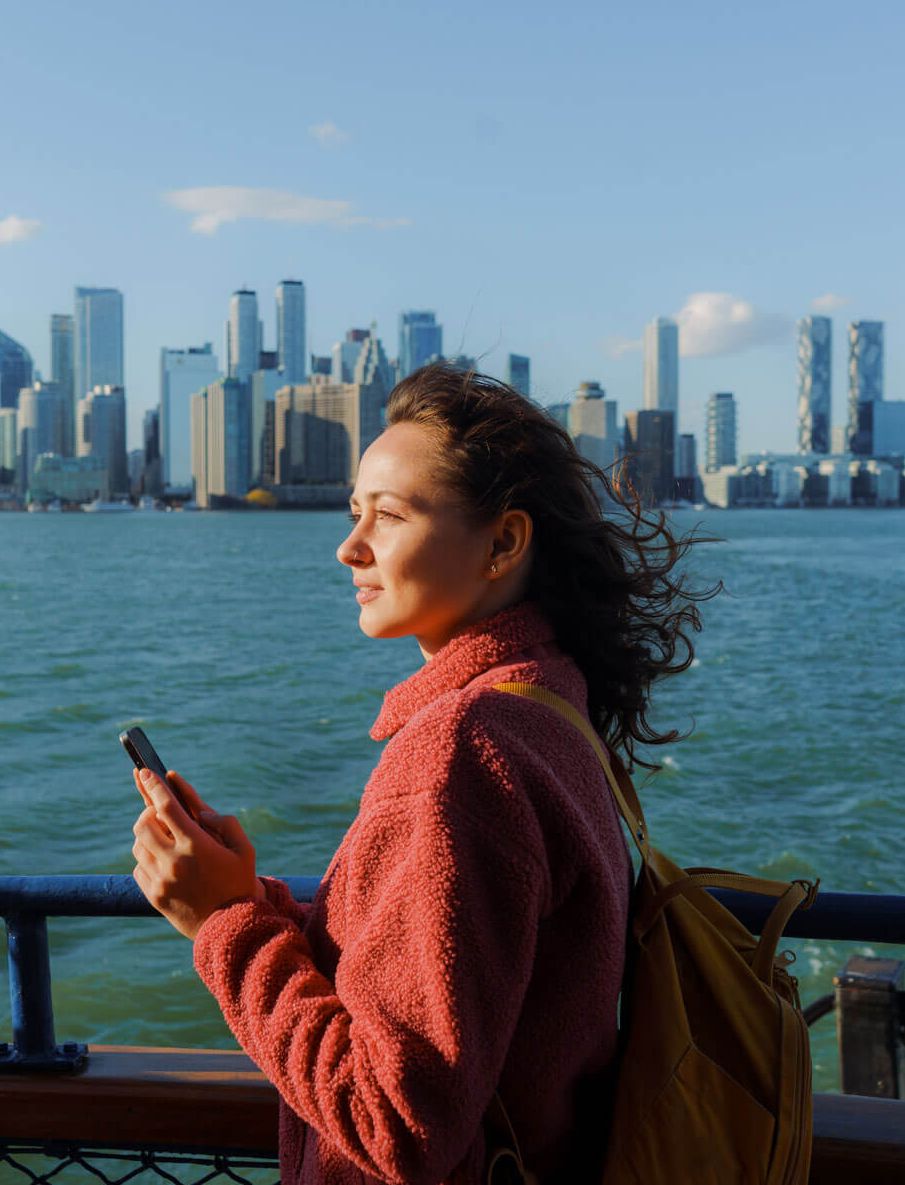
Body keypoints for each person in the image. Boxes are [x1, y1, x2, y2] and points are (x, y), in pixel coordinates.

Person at [130, 362, 710, 1185]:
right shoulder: (549, 706)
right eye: (354, 512)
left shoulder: (461, 753)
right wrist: (248, 898)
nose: (348, 547)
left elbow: (397, 1122)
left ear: (503, 543)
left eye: (389, 516)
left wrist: (223, 924)